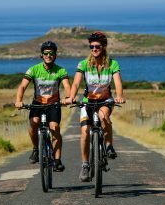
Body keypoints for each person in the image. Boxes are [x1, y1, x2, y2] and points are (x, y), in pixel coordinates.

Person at [65, 31, 125, 182]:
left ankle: (109, 145)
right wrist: (71, 97)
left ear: (104, 46)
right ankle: (85, 165)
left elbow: (117, 82)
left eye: (97, 46)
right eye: (91, 46)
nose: (94, 49)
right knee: (85, 131)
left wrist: (119, 95)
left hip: (105, 100)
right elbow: (77, 82)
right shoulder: (83, 64)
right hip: (88, 101)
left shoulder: (113, 63)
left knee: (104, 117)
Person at [15, 41, 71, 172]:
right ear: (41, 55)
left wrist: (68, 98)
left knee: (55, 127)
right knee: (34, 123)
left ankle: (57, 160)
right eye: (46, 53)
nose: (49, 55)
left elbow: (67, 86)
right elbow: (22, 86)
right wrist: (19, 100)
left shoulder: (61, 70)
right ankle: (36, 148)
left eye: (51, 53)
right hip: (38, 103)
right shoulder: (34, 69)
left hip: (53, 104)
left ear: (55, 55)